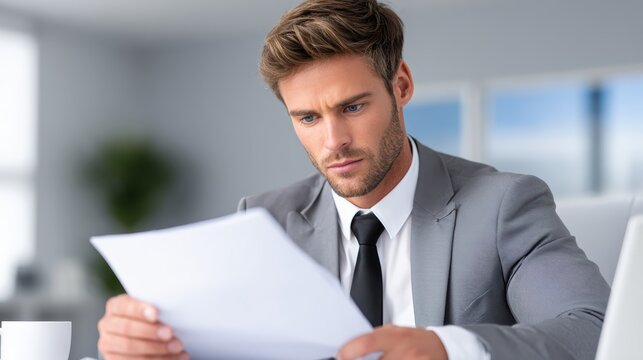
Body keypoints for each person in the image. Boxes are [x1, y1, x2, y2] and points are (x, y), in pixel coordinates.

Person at [96, 0, 610, 359]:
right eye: (308, 118)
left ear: (401, 85)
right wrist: (153, 347)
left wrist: (448, 348)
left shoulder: (502, 205)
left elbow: (594, 330)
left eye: (353, 106)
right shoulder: (262, 220)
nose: (333, 141)